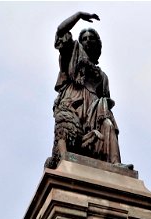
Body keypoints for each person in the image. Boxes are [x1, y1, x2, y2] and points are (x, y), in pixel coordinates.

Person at [46, 12, 124, 169]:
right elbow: (61, 31)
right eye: (84, 38)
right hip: (74, 102)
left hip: (94, 110)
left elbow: (105, 98)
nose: (88, 40)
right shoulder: (72, 54)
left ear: (97, 44)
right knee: (66, 129)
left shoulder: (102, 76)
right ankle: (64, 159)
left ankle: (116, 164)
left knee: (108, 123)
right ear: (80, 43)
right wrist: (79, 15)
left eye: (91, 38)